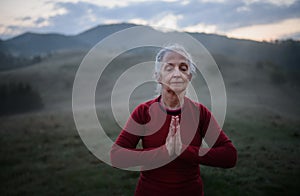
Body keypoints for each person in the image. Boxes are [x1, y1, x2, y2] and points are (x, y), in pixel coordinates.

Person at [110, 44, 237, 196]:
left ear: (189, 76)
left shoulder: (200, 113)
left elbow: (230, 156)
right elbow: (116, 156)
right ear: (158, 76)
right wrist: (164, 153)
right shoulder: (143, 113)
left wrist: (183, 150)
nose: (177, 73)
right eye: (169, 68)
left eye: (183, 68)